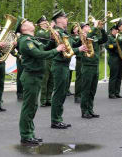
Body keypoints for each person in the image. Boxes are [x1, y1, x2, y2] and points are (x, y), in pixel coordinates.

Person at [16, 17, 66, 146]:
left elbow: (43, 49)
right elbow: (39, 54)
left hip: (36, 76)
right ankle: (26, 135)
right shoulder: (25, 41)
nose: (31, 22)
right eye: (27, 22)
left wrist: (52, 41)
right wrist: (57, 49)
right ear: (23, 28)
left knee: (33, 106)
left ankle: (30, 134)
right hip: (31, 77)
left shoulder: (32, 40)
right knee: (29, 107)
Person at [50, 9, 87, 129]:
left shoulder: (63, 32)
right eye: (65, 17)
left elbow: (71, 44)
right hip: (59, 65)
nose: (67, 19)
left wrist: (81, 37)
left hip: (64, 65)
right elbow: (65, 50)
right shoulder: (56, 32)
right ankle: (55, 120)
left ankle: (58, 119)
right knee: (59, 93)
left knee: (62, 93)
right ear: (59, 20)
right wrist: (79, 49)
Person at [79, 21, 108, 118]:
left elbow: (104, 39)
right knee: (86, 90)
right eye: (86, 26)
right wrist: (95, 27)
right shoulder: (82, 37)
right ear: (82, 29)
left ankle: (90, 109)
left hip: (95, 65)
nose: (88, 27)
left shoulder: (94, 37)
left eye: (88, 25)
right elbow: (87, 38)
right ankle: (84, 110)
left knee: (92, 90)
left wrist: (102, 29)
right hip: (87, 66)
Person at [36, 16, 53, 107]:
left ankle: (49, 98)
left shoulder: (48, 31)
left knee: (51, 79)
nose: (47, 22)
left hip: (51, 56)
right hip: (45, 58)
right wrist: (51, 29)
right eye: (45, 21)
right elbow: (46, 37)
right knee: (45, 79)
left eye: (47, 21)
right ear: (40, 24)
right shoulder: (40, 32)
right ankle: (43, 100)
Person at [105, 25, 122, 99]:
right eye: (116, 30)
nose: (117, 31)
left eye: (117, 30)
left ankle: (117, 92)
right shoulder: (109, 37)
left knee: (119, 76)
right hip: (113, 58)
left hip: (120, 58)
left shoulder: (118, 37)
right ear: (112, 30)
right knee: (113, 76)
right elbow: (107, 46)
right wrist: (116, 44)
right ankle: (111, 93)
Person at [70, 24, 83, 104]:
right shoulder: (73, 37)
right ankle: (77, 96)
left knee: (84, 78)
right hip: (78, 58)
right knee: (79, 78)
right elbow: (75, 45)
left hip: (86, 59)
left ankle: (82, 94)